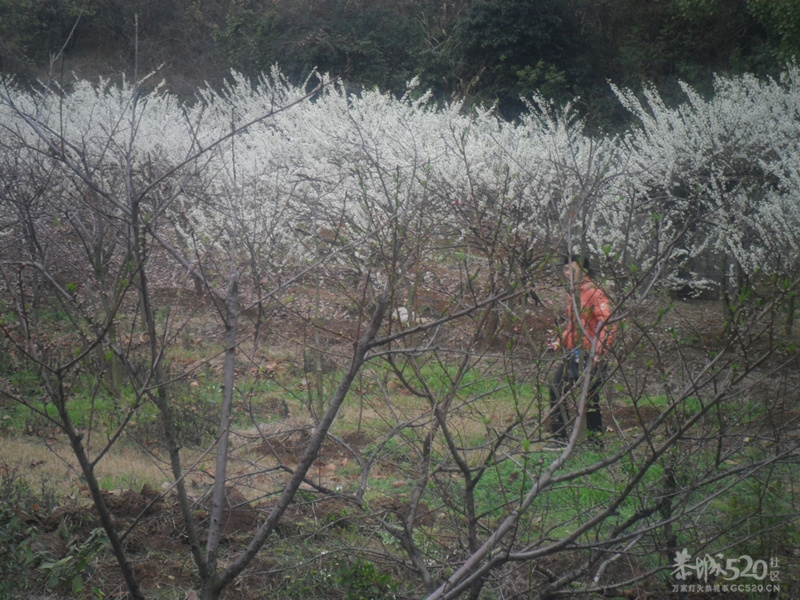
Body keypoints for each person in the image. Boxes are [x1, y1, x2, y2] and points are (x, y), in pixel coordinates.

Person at [546, 254, 615, 446]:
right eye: (566, 269)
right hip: (573, 353)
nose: (568, 273)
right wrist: (559, 342)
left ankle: (595, 441)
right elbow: (574, 326)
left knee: (589, 397)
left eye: (572, 269)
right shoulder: (573, 293)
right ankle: (559, 438)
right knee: (556, 388)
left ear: (583, 271)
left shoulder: (595, 293)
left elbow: (607, 324)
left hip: (589, 355)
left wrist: (597, 352)